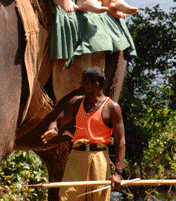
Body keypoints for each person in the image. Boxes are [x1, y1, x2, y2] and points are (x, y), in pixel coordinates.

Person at [41, 67, 126, 201]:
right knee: (67, 197)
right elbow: (58, 120)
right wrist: (53, 129)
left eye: (85, 82)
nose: (81, 85)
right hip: (76, 158)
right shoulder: (76, 102)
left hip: (99, 158)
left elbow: (121, 141)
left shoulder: (112, 108)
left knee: (98, 198)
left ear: (96, 85)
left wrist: (118, 173)